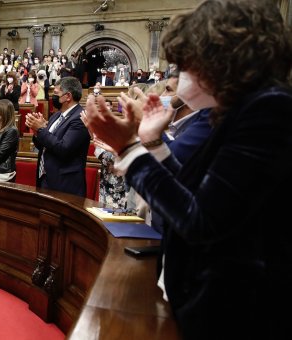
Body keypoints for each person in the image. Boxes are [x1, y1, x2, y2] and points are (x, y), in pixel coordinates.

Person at [83, 1, 292, 338]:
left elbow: (201, 220)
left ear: (221, 55)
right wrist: (152, 143)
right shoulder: (242, 109)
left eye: (186, 62)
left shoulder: (268, 109)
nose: (179, 73)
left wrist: (128, 148)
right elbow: (196, 192)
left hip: (240, 312)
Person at [26, 77, 90, 196]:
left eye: (56, 93)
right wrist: (36, 131)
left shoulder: (79, 118)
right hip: (46, 178)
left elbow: (63, 148)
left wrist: (41, 129)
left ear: (68, 96)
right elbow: (44, 145)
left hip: (65, 184)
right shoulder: (55, 116)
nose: (52, 97)